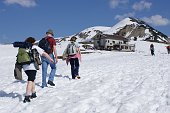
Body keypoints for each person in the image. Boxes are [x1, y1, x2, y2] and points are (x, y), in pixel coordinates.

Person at [22, 37, 54, 103]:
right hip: (32, 66)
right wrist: (50, 59)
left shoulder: (23, 47)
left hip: (24, 67)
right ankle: (27, 96)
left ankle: (33, 93)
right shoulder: (34, 47)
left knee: (32, 79)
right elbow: (44, 54)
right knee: (30, 80)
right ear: (32, 42)